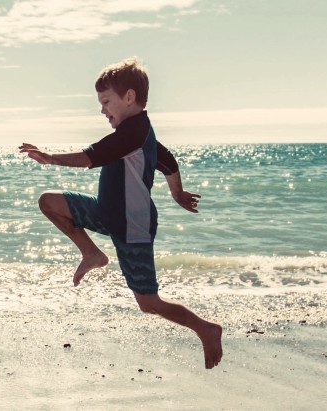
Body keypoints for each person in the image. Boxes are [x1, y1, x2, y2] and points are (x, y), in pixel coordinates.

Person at [19, 57, 223, 369]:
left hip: (133, 226)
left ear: (129, 97)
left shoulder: (133, 132)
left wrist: (50, 159)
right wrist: (176, 192)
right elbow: (167, 161)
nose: (102, 110)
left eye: (106, 102)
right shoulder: (139, 132)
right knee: (49, 201)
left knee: (148, 303)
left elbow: (94, 156)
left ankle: (205, 328)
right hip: (107, 212)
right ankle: (91, 254)